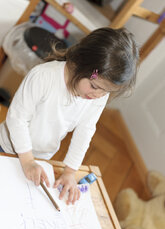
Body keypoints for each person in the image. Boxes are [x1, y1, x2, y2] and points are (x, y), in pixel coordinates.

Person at [0, 27, 139, 204]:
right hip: (6, 148)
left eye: (106, 92)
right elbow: (17, 119)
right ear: (80, 64)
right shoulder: (44, 76)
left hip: (40, 158)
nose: (98, 95)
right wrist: (27, 160)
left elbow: (85, 131)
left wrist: (70, 172)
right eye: (95, 87)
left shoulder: (96, 95)